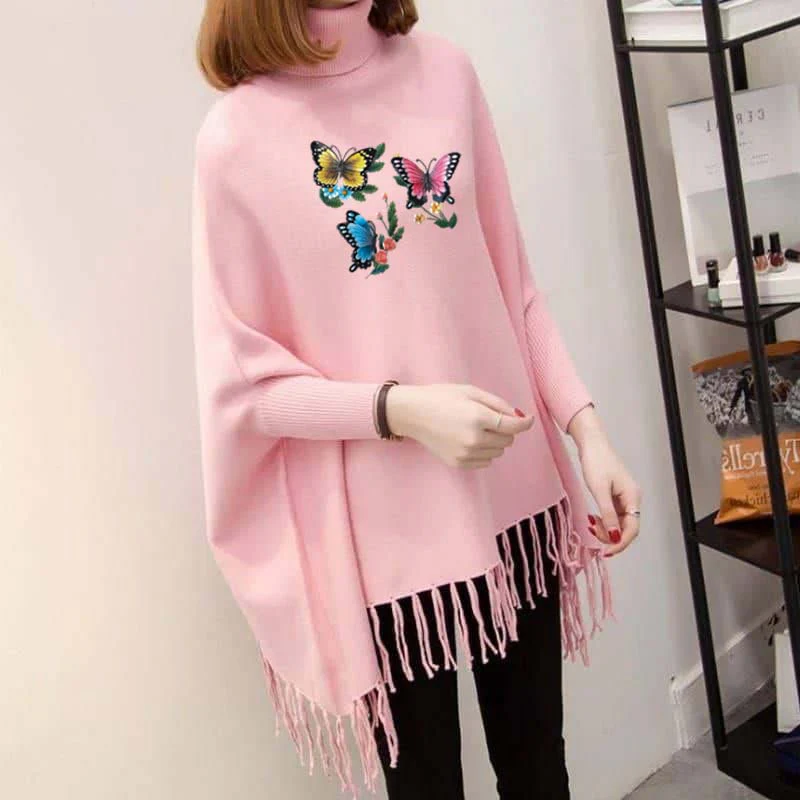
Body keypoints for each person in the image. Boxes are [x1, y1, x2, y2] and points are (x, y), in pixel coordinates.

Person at [191, 1, 641, 798]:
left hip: (514, 494)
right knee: (426, 785)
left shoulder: (446, 73)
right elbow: (247, 386)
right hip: (390, 539)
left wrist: (587, 429)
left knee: (539, 765)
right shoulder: (235, 140)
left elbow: (514, 284)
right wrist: (401, 410)